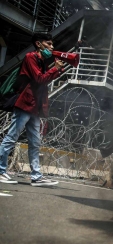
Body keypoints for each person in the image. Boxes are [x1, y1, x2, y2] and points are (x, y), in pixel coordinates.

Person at [0, 33, 64, 186]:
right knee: (11, 138)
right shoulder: (30, 57)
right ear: (39, 44)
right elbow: (40, 79)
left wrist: (56, 70)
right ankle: (0, 171)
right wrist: (55, 69)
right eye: (48, 44)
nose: (52, 47)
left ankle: (36, 176)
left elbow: (44, 79)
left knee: (35, 142)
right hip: (25, 104)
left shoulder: (42, 61)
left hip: (35, 107)